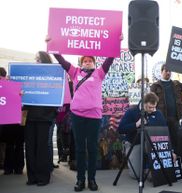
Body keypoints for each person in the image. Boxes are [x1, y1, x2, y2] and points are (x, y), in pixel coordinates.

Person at [47, 34, 122, 191]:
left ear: (94, 63)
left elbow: (110, 59)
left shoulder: (99, 73)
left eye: (90, 61)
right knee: (80, 149)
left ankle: (92, 180)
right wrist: (52, 45)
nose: (88, 62)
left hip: (94, 116)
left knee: (93, 148)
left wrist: (117, 42)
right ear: (81, 63)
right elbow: (62, 61)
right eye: (85, 61)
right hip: (78, 115)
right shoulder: (75, 73)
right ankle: (80, 180)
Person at [23, 51, 58, 186]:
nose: (36, 61)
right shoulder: (29, 75)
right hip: (30, 116)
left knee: (42, 148)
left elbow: (56, 95)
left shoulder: (53, 75)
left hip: (45, 117)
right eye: (35, 59)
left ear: (45, 60)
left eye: (39, 59)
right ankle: (32, 177)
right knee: (30, 147)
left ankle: (43, 177)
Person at [150, 64, 182, 156]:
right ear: (161, 72)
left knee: (177, 139)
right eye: (166, 71)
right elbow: (151, 101)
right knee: (165, 140)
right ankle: (166, 159)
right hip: (162, 119)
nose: (168, 72)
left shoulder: (176, 84)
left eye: (169, 71)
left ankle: (177, 160)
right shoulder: (155, 86)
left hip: (176, 118)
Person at [118, 92, 167, 179]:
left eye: (154, 107)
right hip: (134, 143)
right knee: (136, 175)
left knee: (158, 173)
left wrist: (171, 150)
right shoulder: (132, 112)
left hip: (152, 144)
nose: (152, 109)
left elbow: (165, 132)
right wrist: (136, 124)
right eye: (149, 107)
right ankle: (143, 167)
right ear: (143, 103)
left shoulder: (158, 113)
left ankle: (149, 168)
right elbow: (121, 129)